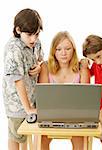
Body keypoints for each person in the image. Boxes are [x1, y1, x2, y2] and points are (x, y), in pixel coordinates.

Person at [3, 8, 47, 150]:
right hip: (17, 103)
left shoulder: (36, 43)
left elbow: (40, 59)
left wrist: (39, 67)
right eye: (29, 35)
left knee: (28, 136)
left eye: (36, 34)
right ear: (18, 30)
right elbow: (17, 80)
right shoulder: (13, 49)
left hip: (32, 97)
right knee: (16, 137)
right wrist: (27, 108)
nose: (33, 39)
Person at [38, 31, 90, 150]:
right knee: (42, 139)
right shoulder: (45, 67)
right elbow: (43, 97)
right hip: (51, 114)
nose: (63, 53)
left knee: (79, 139)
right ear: (53, 51)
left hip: (76, 115)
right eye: (59, 49)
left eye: (68, 48)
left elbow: (86, 97)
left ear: (73, 50)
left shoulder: (82, 68)